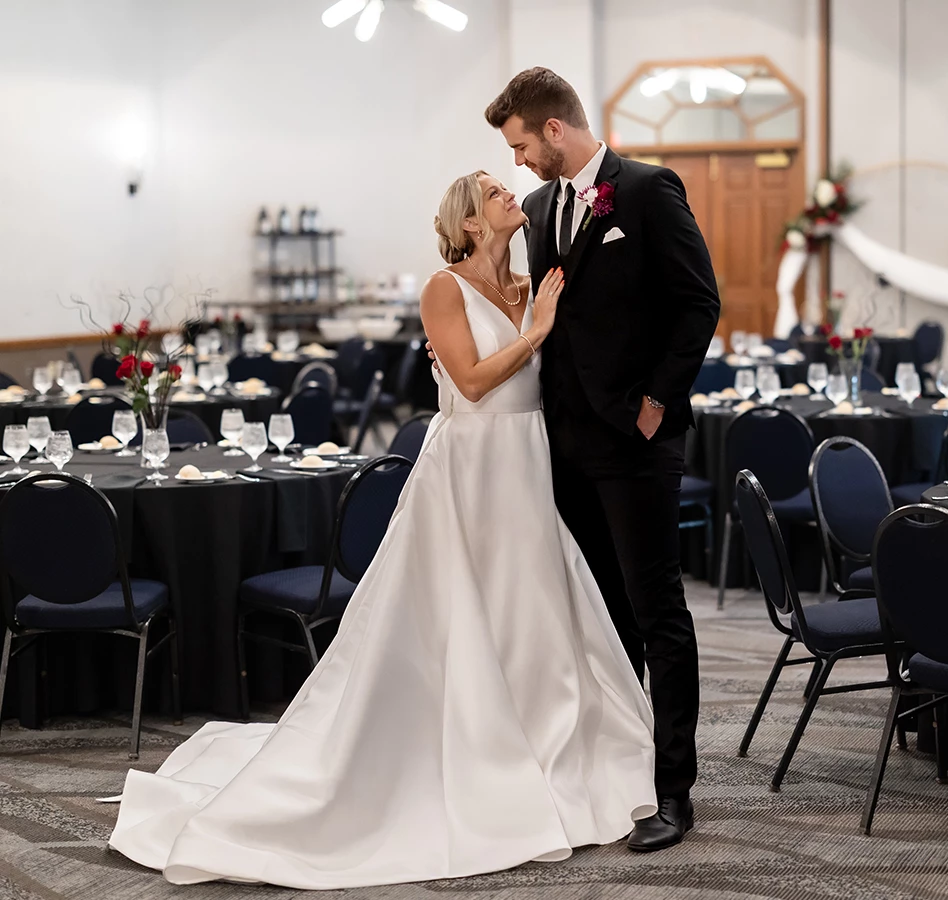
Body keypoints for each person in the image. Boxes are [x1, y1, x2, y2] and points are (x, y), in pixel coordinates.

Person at [104, 170, 657, 890]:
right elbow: (473, 379)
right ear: (468, 222)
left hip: (529, 463)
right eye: (493, 191)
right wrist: (539, 333)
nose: (508, 193)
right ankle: (471, 751)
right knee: (458, 612)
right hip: (468, 467)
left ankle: (552, 744)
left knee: (535, 608)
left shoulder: (532, 286)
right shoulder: (443, 288)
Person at [484, 67, 721, 851]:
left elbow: (698, 303)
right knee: (600, 615)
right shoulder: (547, 207)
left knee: (657, 614)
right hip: (566, 442)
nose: (518, 161)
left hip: (637, 442)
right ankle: (619, 775)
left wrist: (656, 403)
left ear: (555, 129)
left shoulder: (649, 191)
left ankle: (675, 794)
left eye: (521, 144)